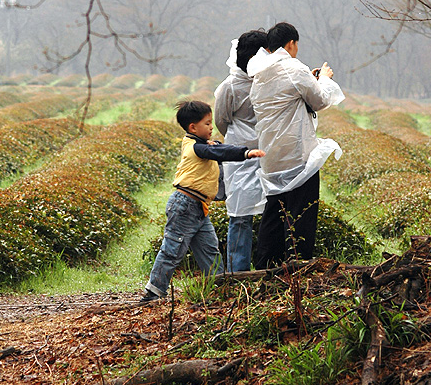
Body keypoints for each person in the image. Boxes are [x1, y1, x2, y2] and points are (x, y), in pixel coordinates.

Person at [140, 100, 265, 303]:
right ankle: (154, 292)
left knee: (210, 250)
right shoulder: (196, 148)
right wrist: (245, 153)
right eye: (207, 123)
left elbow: (216, 148)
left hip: (198, 208)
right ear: (193, 127)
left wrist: (219, 146)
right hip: (185, 206)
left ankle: (218, 289)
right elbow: (217, 152)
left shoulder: (199, 144)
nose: (211, 127)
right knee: (173, 249)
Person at [247, 22, 344, 268]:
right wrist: (323, 78)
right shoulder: (293, 67)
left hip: (271, 157)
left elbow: (288, 97)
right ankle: (299, 266)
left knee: (273, 213)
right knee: (302, 214)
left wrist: (309, 80)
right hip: (298, 157)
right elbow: (320, 100)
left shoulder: (259, 73)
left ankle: (266, 266)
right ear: (291, 43)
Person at [214, 30, 268, 272]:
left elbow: (221, 121)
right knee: (242, 214)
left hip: (250, 151)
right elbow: (220, 120)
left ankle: (240, 270)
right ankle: (240, 272)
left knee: (243, 216)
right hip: (246, 154)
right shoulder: (232, 86)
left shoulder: (260, 81)